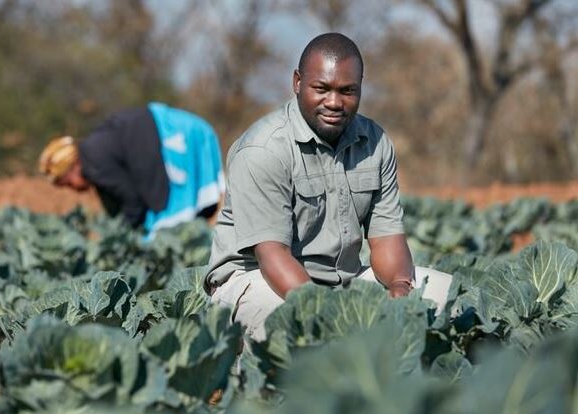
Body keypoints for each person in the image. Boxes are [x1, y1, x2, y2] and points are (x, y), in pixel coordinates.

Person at [203, 33, 452, 341]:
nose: (334, 102)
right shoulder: (263, 149)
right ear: (297, 82)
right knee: (303, 337)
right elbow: (272, 255)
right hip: (256, 280)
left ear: (361, 86)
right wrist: (333, 313)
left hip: (341, 282)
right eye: (321, 89)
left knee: (451, 300)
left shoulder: (374, 143)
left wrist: (401, 287)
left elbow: (387, 239)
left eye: (347, 91)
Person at [39, 102, 224, 235]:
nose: (73, 189)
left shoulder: (93, 163)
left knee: (175, 227)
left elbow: (132, 201)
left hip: (176, 138)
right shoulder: (92, 150)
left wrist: (122, 237)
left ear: (73, 167)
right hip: (176, 125)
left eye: (68, 183)